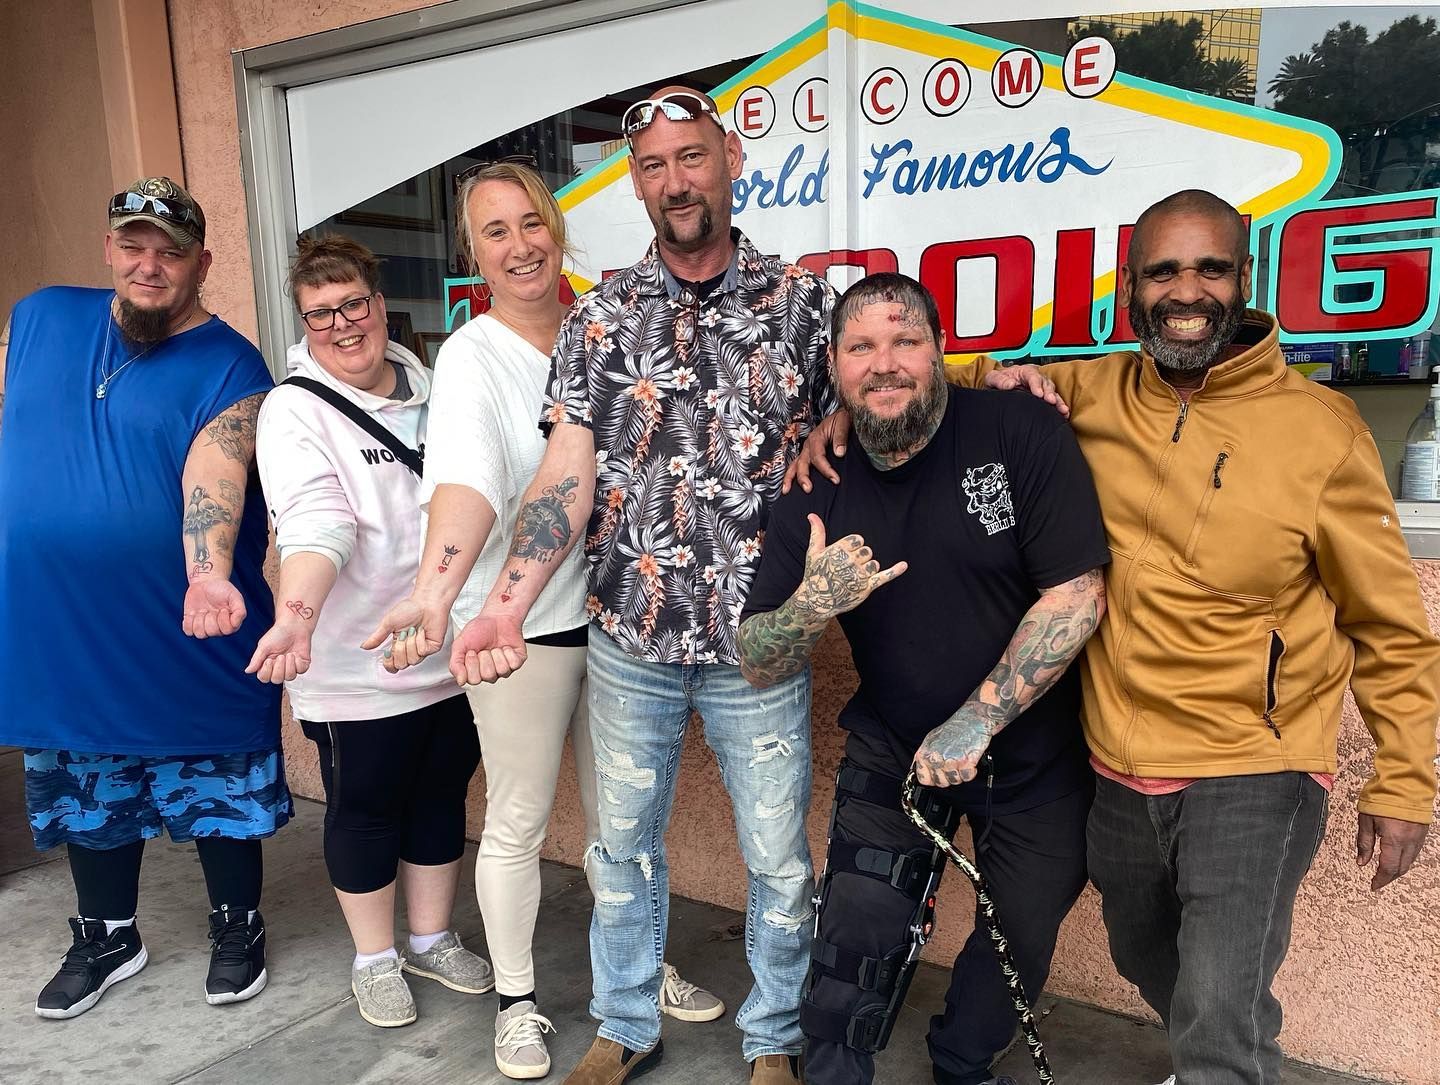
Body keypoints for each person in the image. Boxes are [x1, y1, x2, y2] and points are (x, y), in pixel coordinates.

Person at [790, 189, 1440, 1084]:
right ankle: (1232, 1041)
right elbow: (924, 378)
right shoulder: (1090, 391)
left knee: (1214, 1011)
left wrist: (1405, 779)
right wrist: (847, 414)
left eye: (1210, 268)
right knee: (1151, 961)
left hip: (1254, 754)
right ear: (1129, 287)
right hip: (1119, 758)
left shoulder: (1321, 431)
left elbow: (1391, 625)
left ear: (1243, 280)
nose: (1188, 290)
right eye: (1164, 270)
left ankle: (1227, 1056)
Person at [440, 88, 838, 1085]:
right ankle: (623, 1021)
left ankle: (775, 1038)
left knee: (780, 860)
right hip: (631, 638)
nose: (675, 181)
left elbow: (884, 404)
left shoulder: (803, 306)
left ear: (731, 159)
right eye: (654, 167)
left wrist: (999, 380)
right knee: (620, 851)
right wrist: (503, 604)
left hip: (763, 641)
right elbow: (565, 473)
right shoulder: (603, 317)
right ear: (635, 182)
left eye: (691, 157)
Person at [363, 161, 723, 1078]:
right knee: (520, 816)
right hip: (517, 623)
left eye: (531, 222)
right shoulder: (474, 354)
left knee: (625, 818)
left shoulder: (600, 324)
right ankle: (518, 1001)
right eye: (495, 231)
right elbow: (469, 485)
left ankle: (636, 970)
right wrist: (440, 593)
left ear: (556, 228)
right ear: (470, 252)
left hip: (620, 617)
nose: (519, 245)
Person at [738, 273, 1108, 1085]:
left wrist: (978, 718)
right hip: (893, 739)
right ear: (834, 364)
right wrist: (810, 606)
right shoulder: (816, 481)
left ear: (940, 348)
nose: (885, 363)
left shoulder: (1017, 430)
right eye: (860, 346)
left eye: (905, 340)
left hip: (1031, 749)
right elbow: (755, 655)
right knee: (854, 938)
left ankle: (961, 1063)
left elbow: (1078, 591)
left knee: (1020, 931)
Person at [0, 177, 288, 1018]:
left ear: (203, 261)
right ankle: (107, 934)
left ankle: (237, 924)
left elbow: (219, 470)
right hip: (59, 624)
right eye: (134, 245)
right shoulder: (41, 317)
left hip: (186, 624)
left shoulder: (232, 362)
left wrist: (208, 569)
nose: (149, 265)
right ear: (108, 248)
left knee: (217, 781)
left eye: (170, 251)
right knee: (85, 776)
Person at [246, 235, 492, 1030]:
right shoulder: (294, 408)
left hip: (447, 646)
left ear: (381, 305)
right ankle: (374, 958)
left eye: (354, 304)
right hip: (357, 657)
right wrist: (298, 615)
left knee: (439, 795)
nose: (343, 325)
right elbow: (317, 522)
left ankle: (429, 936)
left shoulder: (436, 390)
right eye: (321, 314)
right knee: (367, 805)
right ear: (305, 324)